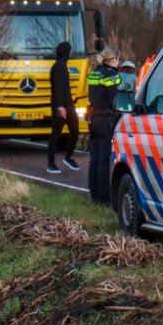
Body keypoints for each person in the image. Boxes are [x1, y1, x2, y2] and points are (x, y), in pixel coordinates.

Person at [87, 46, 122, 206]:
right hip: (106, 120)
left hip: (93, 118)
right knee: (104, 158)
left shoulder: (94, 72)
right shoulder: (112, 75)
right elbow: (115, 99)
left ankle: (93, 194)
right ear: (113, 59)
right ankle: (104, 198)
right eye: (118, 59)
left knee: (94, 157)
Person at [46, 41, 80, 174]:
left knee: (75, 130)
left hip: (69, 105)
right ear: (67, 52)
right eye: (70, 50)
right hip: (61, 107)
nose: (71, 52)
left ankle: (68, 156)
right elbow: (58, 88)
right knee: (56, 134)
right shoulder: (59, 67)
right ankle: (51, 162)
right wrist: (59, 106)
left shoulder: (62, 65)